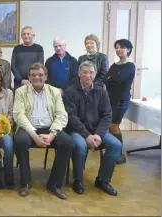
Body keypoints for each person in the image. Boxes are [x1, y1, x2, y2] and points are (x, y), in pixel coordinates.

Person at [13, 63, 74, 200]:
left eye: (40, 74)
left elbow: (62, 114)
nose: (37, 77)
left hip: (50, 126)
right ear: (29, 77)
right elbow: (19, 115)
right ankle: (26, 183)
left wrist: (52, 134)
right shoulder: (21, 91)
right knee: (20, 141)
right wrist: (34, 135)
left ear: (46, 77)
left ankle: (54, 184)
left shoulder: (54, 91)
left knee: (67, 143)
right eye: (33, 75)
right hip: (28, 127)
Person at [63, 61, 121, 196]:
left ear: (95, 75)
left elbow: (107, 116)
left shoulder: (102, 92)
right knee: (80, 145)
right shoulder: (69, 92)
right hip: (76, 130)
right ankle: (78, 180)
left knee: (116, 145)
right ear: (79, 74)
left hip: (97, 130)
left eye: (91, 72)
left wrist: (99, 135)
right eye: (84, 72)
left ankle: (103, 180)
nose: (87, 75)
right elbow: (71, 117)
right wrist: (86, 135)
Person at [103, 39, 136, 164]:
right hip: (111, 98)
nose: (118, 50)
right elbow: (106, 79)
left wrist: (112, 78)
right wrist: (112, 79)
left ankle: (119, 154)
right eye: (116, 47)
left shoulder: (130, 65)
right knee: (109, 124)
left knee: (114, 125)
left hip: (121, 100)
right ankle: (114, 149)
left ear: (128, 49)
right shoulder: (115, 65)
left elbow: (120, 78)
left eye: (121, 47)